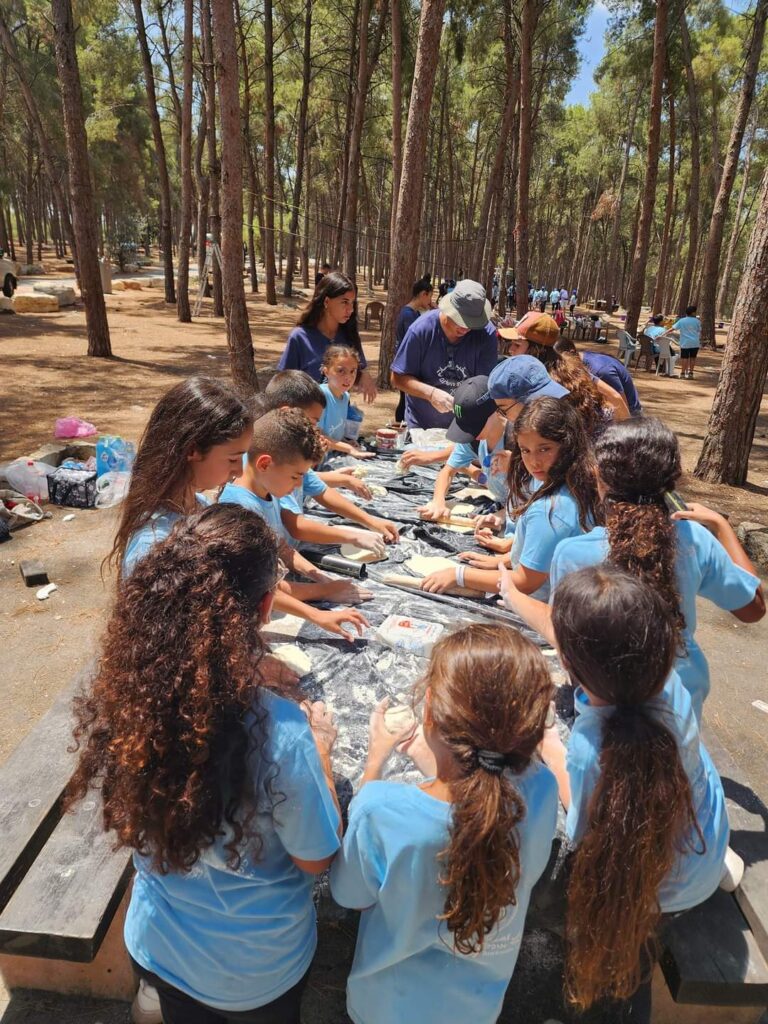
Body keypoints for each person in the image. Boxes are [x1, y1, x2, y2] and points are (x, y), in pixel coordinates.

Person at [69, 505, 342, 1024]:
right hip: (255, 975)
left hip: (160, 947)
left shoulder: (128, 691)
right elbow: (317, 860)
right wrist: (322, 754)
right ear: (265, 608)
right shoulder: (281, 732)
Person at [329, 624, 558, 1024]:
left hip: (386, 1007)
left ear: (429, 710)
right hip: (477, 1007)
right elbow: (482, 791)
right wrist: (427, 754)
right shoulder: (541, 789)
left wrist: (373, 766)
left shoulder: (380, 810)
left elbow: (351, 896)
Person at [539, 565, 730, 1023]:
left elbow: (582, 831)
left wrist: (548, 745)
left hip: (660, 889)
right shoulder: (668, 684)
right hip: (706, 843)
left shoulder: (587, 749)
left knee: (606, 959)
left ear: (568, 662)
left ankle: (609, 994)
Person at [498, 417, 765, 722]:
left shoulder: (574, 553)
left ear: (599, 477)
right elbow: (752, 608)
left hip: (605, 709)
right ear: (671, 479)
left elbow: (566, 642)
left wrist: (510, 592)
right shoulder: (696, 538)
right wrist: (721, 526)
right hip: (683, 703)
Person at [423, 397, 600, 600]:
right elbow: (547, 551)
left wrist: (459, 575)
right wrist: (508, 559)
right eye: (525, 450)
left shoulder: (551, 509)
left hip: (544, 605)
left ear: (567, 443)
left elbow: (525, 582)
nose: (534, 461)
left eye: (544, 449)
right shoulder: (578, 481)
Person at [220, 408, 372, 641]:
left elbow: (279, 545)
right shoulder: (239, 511)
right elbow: (262, 590)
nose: (299, 484)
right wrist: (323, 594)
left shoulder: (267, 489)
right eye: (296, 476)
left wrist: (318, 574)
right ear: (264, 464)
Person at [113, 376, 254, 577]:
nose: (239, 472)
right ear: (192, 450)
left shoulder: (201, 507)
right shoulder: (154, 546)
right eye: (233, 459)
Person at [390, 279, 498, 429]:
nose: (466, 328)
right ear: (449, 309)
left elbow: (485, 386)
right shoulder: (421, 330)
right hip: (421, 428)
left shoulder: (486, 334)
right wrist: (431, 393)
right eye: (461, 321)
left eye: (472, 323)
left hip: (465, 429)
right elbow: (398, 378)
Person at [497, 312, 629, 433]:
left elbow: (614, 398)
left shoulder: (548, 386)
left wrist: (625, 439)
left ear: (536, 350)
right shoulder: (569, 367)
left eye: (517, 345)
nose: (511, 350)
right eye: (511, 344)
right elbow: (615, 397)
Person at [416, 376, 509, 523]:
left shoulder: (519, 443)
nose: (470, 433)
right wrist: (438, 501)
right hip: (505, 506)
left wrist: (503, 515)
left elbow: (537, 497)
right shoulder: (475, 440)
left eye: (474, 427)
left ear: (494, 411)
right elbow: (447, 472)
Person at [278, 271, 377, 402]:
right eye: (344, 302)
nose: (351, 309)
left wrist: (364, 374)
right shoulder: (300, 337)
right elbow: (283, 384)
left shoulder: (349, 336)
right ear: (326, 301)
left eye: (352, 302)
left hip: (339, 418)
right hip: (307, 419)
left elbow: (352, 373)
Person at [554, 337, 642, 415]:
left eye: (559, 363)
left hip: (630, 417)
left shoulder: (600, 371)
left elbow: (621, 404)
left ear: (571, 353)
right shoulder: (581, 362)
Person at [317, 345, 374, 461]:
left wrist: (346, 442)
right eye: (341, 371)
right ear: (326, 371)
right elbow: (317, 436)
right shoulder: (320, 395)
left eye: (353, 371)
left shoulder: (345, 396)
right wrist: (348, 448)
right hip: (318, 462)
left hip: (333, 457)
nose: (348, 377)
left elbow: (334, 432)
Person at [395, 276, 433, 422]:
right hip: (406, 364)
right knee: (405, 400)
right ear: (423, 294)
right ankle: (400, 425)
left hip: (412, 363)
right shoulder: (408, 315)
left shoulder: (415, 313)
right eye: (430, 296)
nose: (430, 301)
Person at [665, 305, 702, 379]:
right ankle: (691, 373)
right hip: (695, 342)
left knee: (684, 358)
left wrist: (664, 333)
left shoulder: (682, 320)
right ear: (693, 313)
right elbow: (699, 330)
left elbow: (673, 328)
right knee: (692, 358)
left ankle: (682, 373)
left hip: (685, 343)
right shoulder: (697, 321)